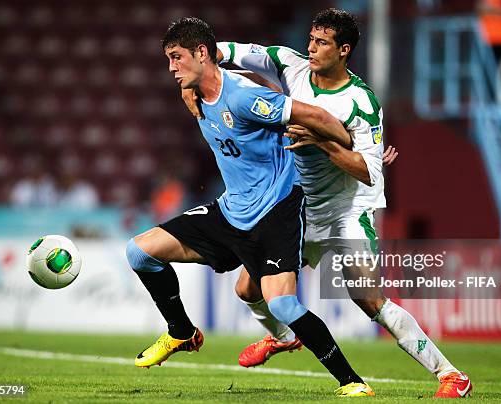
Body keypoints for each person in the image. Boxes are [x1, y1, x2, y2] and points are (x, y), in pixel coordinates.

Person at [188, 8, 471, 399]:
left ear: (344, 50)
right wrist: (193, 71)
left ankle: (450, 375)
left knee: (369, 299)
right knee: (246, 288)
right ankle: (283, 337)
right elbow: (227, 52)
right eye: (311, 39)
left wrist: (322, 140)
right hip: (298, 207)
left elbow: (368, 171)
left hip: (346, 210)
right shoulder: (290, 66)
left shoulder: (361, 102)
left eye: (321, 43)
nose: (311, 48)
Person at [125, 17, 374, 397]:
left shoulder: (244, 96)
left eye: (177, 58)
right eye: (168, 60)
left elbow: (317, 116)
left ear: (202, 53)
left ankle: (352, 381)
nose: (171, 68)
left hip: (276, 210)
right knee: (140, 252)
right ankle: (181, 331)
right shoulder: (193, 94)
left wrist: (352, 145)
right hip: (231, 211)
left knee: (285, 306)